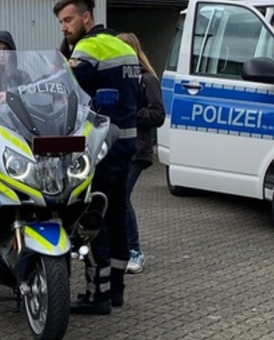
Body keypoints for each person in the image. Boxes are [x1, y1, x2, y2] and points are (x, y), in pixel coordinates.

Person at [55, 0, 140, 315]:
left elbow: (62, 87)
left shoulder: (88, 48)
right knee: (116, 215)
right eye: (61, 22)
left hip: (101, 146)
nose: (64, 28)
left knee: (92, 218)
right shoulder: (122, 48)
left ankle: (97, 295)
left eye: (68, 20)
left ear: (86, 16)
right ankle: (116, 289)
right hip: (126, 142)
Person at [118, 32, 164, 275]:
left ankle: (135, 252)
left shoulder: (147, 80)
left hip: (138, 149)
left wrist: (131, 114)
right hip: (117, 148)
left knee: (122, 196)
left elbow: (158, 115)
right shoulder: (117, 80)